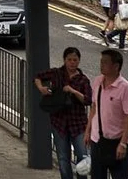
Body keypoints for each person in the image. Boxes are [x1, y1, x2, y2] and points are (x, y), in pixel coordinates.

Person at [34, 46, 92, 179]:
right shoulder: (56, 73)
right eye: (69, 59)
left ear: (79, 61)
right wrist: (41, 88)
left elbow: (88, 100)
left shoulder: (83, 80)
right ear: (64, 60)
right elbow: (37, 76)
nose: (72, 63)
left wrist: (73, 91)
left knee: (82, 156)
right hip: (59, 122)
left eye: (75, 60)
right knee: (63, 157)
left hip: (78, 124)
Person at [84, 48, 128, 179]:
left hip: (117, 143)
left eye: (105, 62)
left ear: (116, 66)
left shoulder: (125, 88)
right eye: (101, 62)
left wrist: (123, 143)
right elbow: (94, 107)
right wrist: (88, 130)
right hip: (98, 140)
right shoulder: (98, 82)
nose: (101, 65)